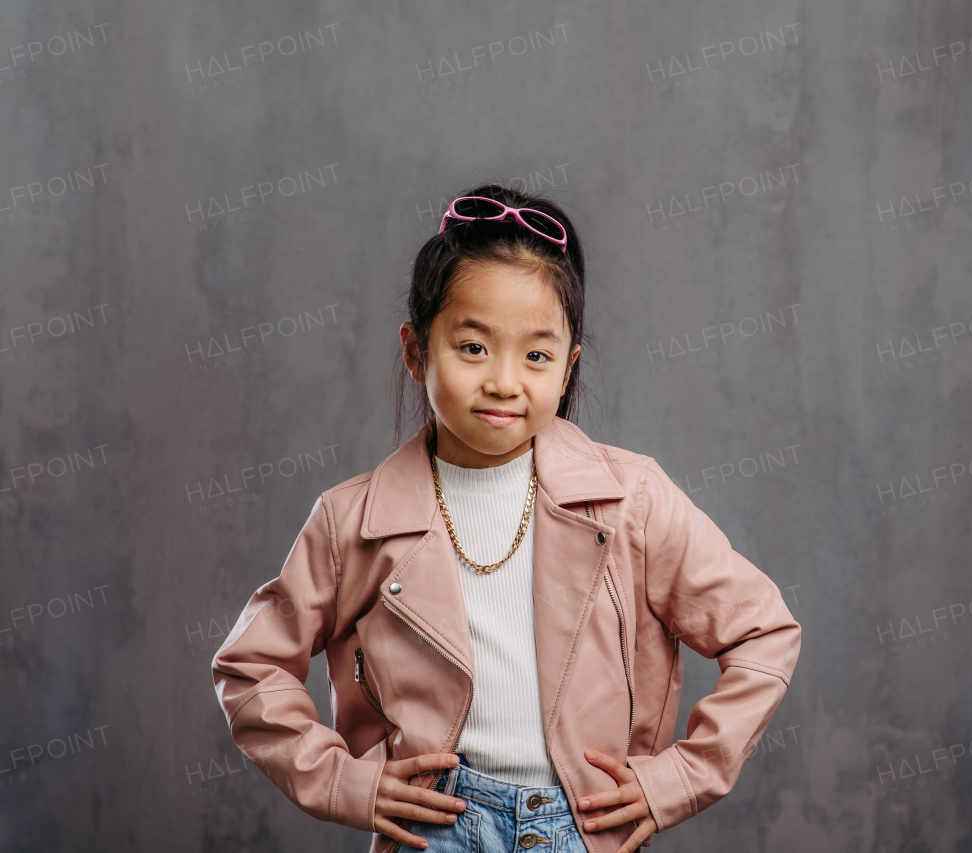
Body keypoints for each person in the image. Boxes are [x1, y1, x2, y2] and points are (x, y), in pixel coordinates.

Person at [211, 183, 802, 853]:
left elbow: (764, 632)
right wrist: (349, 782)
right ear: (415, 350)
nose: (504, 381)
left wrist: (680, 778)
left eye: (537, 355)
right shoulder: (352, 521)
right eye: (472, 347)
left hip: (583, 829)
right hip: (432, 829)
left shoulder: (631, 499)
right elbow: (250, 667)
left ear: (568, 367)